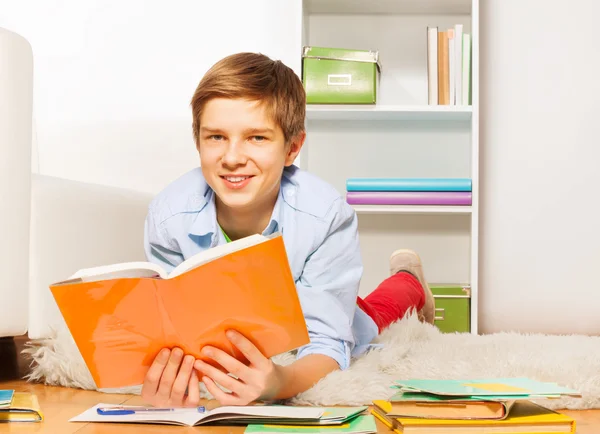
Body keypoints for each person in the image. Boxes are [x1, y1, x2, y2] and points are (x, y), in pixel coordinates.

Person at [140, 52, 435, 408]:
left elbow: (328, 342)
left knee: (371, 315)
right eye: (216, 137)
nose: (232, 157)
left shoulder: (325, 215)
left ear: (292, 148)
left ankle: (409, 281)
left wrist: (281, 381)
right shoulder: (169, 215)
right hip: (250, 316)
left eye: (257, 138)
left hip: (310, 301)